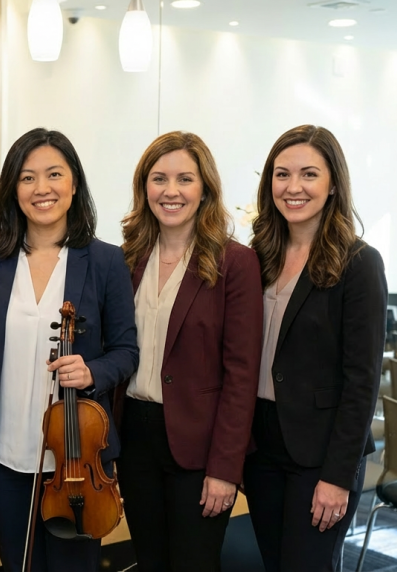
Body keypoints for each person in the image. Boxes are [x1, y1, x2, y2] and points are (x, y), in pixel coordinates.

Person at [0, 128, 139, 572]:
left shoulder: (106, 261)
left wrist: (93, 372)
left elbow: (126, 351)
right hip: (5, 456)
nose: (42, 189)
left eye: (54, 174)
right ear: (12, 189)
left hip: (78, 462)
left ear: (74, 184)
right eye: (27, 177)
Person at [114, 131, 263, 571]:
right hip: (135, 438)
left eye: (185, 179)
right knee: (150, 561)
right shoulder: (126, 259)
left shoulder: (235, 263)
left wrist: (225, 469)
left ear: (205, 189)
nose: (171, 191)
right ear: (145, 188)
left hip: (200, 447)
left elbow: (242, 374)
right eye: (159, 178)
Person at [244, 125, 387, 572]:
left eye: (309, 174)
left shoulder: (359, 263)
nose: (294, 187)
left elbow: (362, 381)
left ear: (332, 184)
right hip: (262, 443)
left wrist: (337, 477)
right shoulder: (258, 255)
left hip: (321, 453)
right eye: (282, 174)